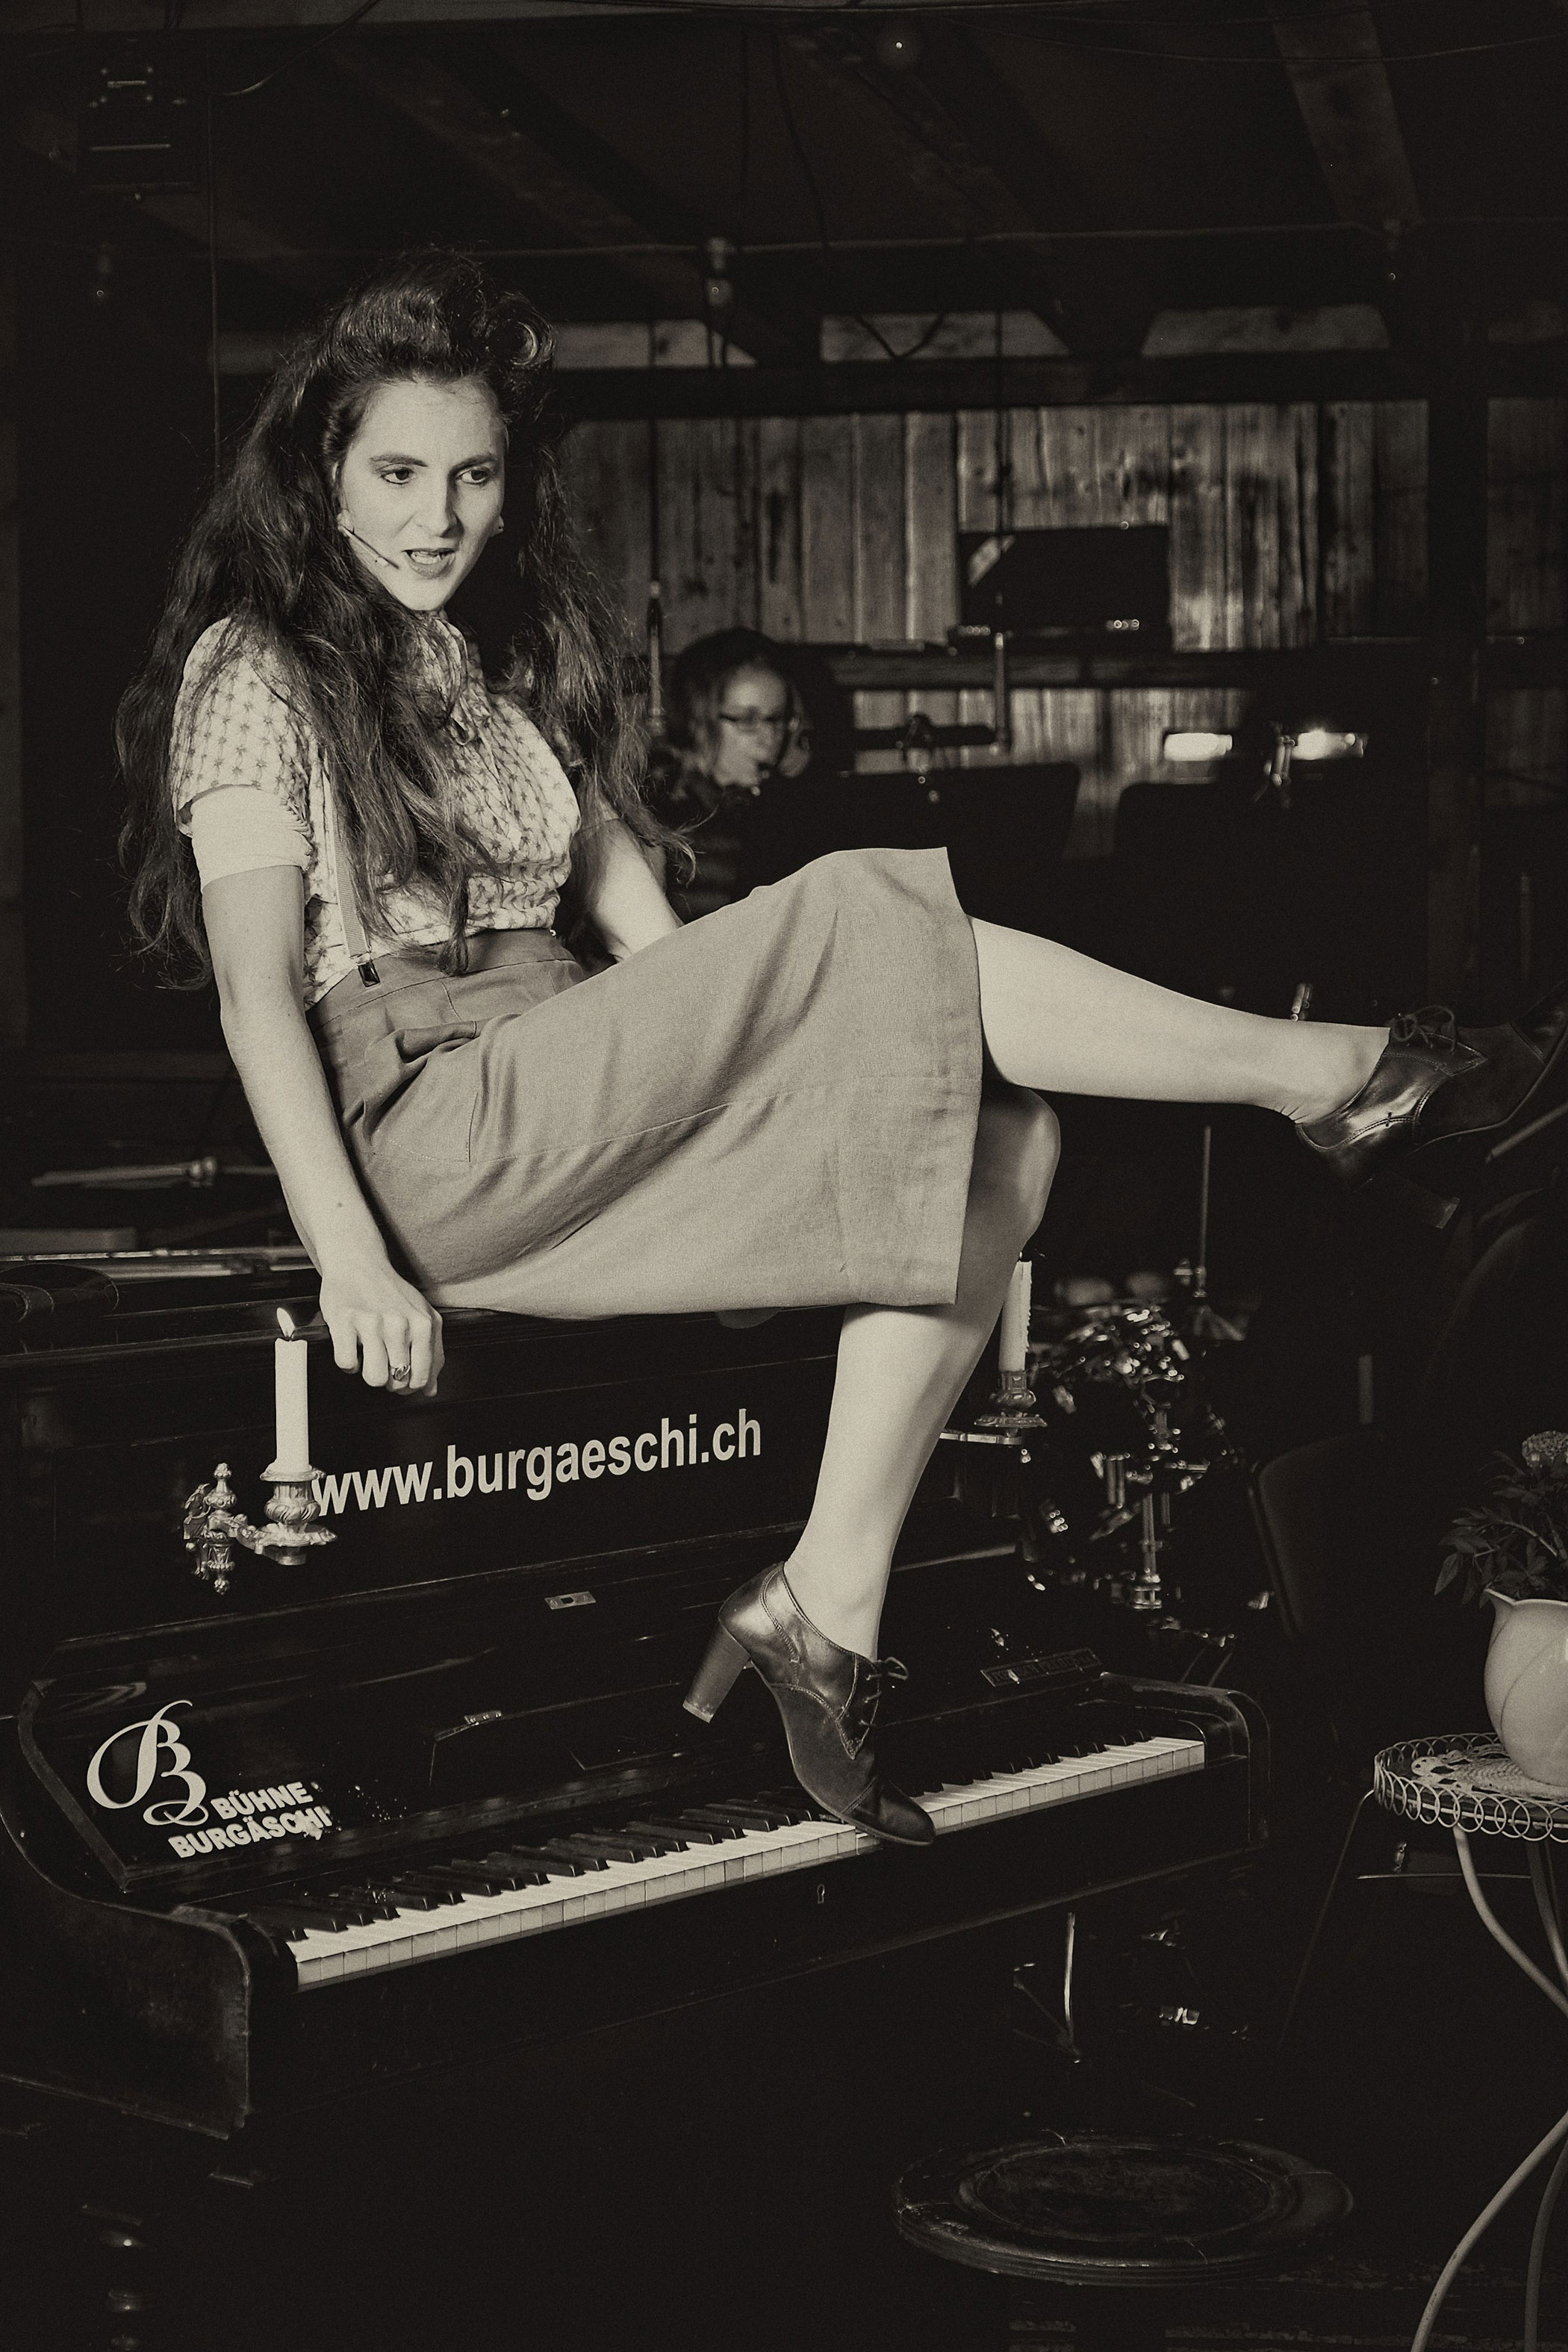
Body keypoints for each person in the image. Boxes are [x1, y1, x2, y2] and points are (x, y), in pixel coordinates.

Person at [119, 255, 1568, 1851]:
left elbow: (650, 940)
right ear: (321, 471)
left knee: (1004, 1140)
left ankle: (826, 1603)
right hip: (437, 1130)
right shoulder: (254, 670)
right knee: (861, 905)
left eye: (471, 475)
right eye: (397, 474)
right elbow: (257, 996)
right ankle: (1336, 1077)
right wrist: (349, 1259)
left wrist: (768, 1048)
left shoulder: (490, 664)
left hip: (573, 1072)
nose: (437, 515)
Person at [650, 628, 846, 916]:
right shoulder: (665, 816)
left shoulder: (766, 807)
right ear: (697, 721)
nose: (770, 739)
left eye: (777, 719)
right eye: (747, 720)